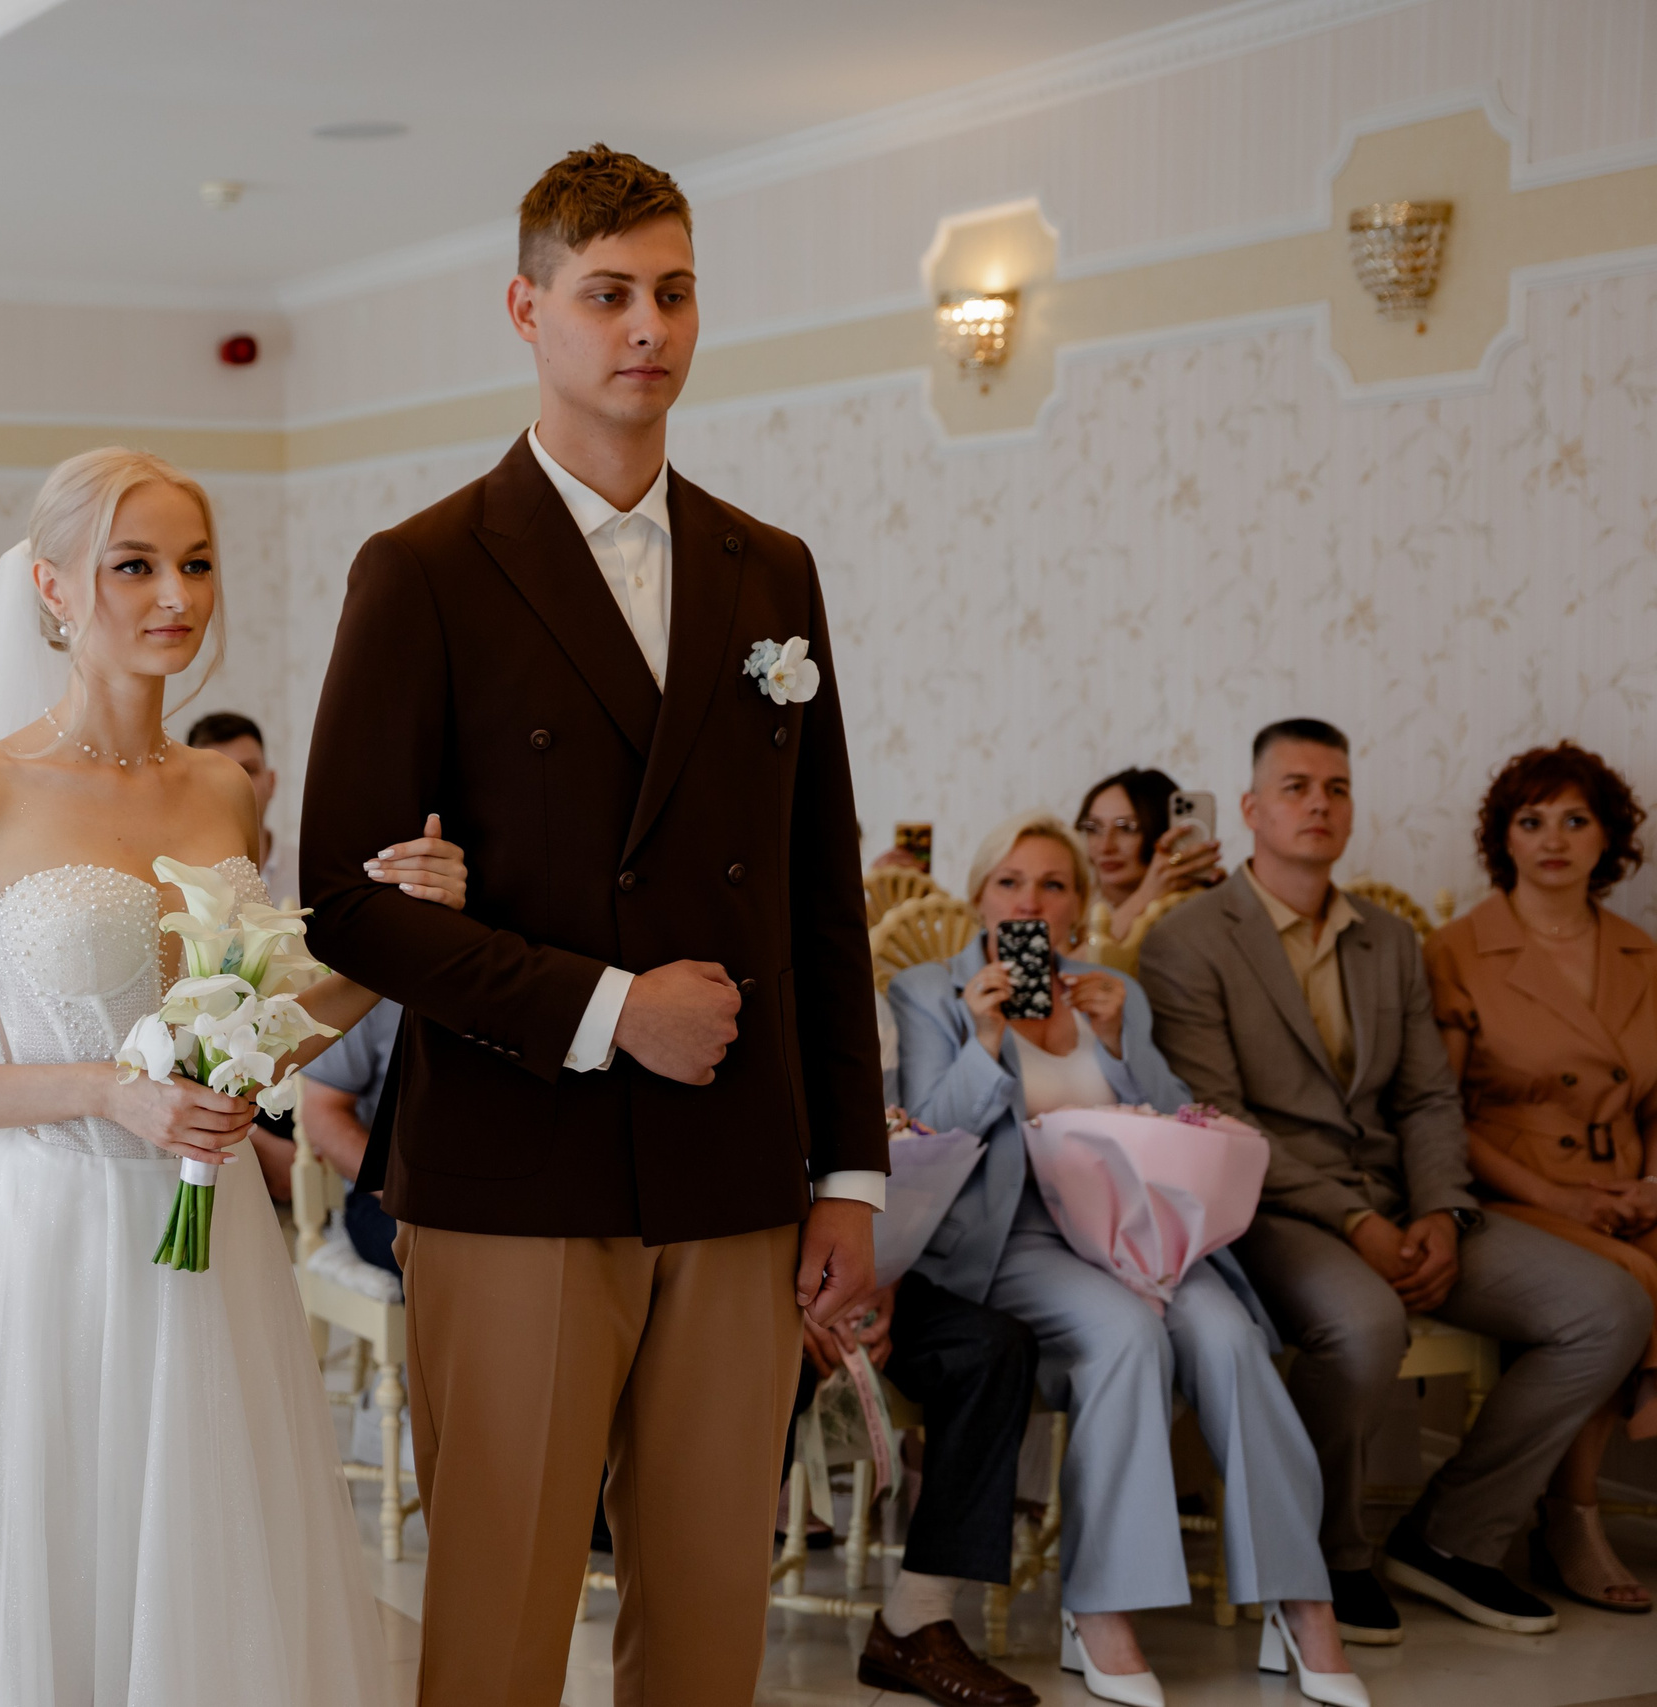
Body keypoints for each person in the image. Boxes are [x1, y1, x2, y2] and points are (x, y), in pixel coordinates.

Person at [300, 144, 888, 1707]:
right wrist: (609, 1005)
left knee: (709, 1625)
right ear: (528, 309)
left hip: (738, 1169)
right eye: (609, 293)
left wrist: (846, 1172)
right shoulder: (421, 569)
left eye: (675, 292)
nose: (649, 327)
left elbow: (822, 891)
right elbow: (344, 902)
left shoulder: (775, 569)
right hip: (515, 1172)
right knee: (497, 1627)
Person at [0, 448, 470, 1707]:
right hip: (41, 1242)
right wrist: (107, 1091)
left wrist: (399, 950)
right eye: (134, 566)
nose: (176, 595)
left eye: (196, 564)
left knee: (201, 1577)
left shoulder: (221, 790)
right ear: (52, 589)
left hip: (206, 1256)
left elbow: (255, 1034)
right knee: (44, 1577)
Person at [1140, 719, 1651, 1646]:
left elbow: (1425, 1100)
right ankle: (1329, 1556)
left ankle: (1451, 1536)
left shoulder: (1391, 936)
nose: (1319, 804)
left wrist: (1443, 1215)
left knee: (1608, 1305)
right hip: (1272, 1204)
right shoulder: (1189, 940)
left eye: (1336, 787)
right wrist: (1356, 1222)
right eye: (1296, 786)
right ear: (1252, 808)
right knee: (1364, 1322)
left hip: (1407, 1198)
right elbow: (1216, 1118)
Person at [892, 812, 1352, 1707]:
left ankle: (1302, 1597)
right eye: (1010, 883)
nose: (1031, 901)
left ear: (1081, 904)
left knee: (1225, 1335)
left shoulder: (1112, 989)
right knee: (1128, 1336)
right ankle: (1101, 1604)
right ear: (979, 898)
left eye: (1054, 884)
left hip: (1134, 1235)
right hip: (1015, 1240)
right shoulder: (927, 993)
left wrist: (1115, 1049)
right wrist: (985, 1044)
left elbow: (1176, 1124)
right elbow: (924, 1136)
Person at [1424, 741, 1657, 1614]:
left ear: (1609, 838)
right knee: (1626, 1284)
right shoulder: (1456, 949)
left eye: (1574, 819)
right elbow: (1436, 1110)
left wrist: (1651, 1185)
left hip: (1625, 1187)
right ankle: (1573, 1514)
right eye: (1531, 820)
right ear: (1504, 839)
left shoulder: (1642, 953)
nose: (1553, 838)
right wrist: (1562, 1197)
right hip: (1510, 1193)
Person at [801, 1267, 1042, 1706]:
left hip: (864, 1279)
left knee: (994, 1347)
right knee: (759, 1367)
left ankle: (916, 1618)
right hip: (766, 1286)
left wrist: (884, 1286)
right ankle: (701, 1621)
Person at [298, 996, 405, 1275]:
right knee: (454, 1254)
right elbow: (321, 1113)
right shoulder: (369, 987)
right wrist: (406, 1192)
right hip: (387, 1198)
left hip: (511, 1194)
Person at [1076, 767, 1221, 942]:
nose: (1105, 847)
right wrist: (1146, 895)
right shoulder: (1070, 902)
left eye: (1127, 829)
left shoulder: (1189, 907)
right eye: (1094, 828)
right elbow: (1065, 967)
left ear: (1163, 830)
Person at [187, 710, 299, 906]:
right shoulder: (177, 885)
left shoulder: (308, 873)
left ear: (271, 782)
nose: (235, 786)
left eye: (248, 770)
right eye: (215, 775)